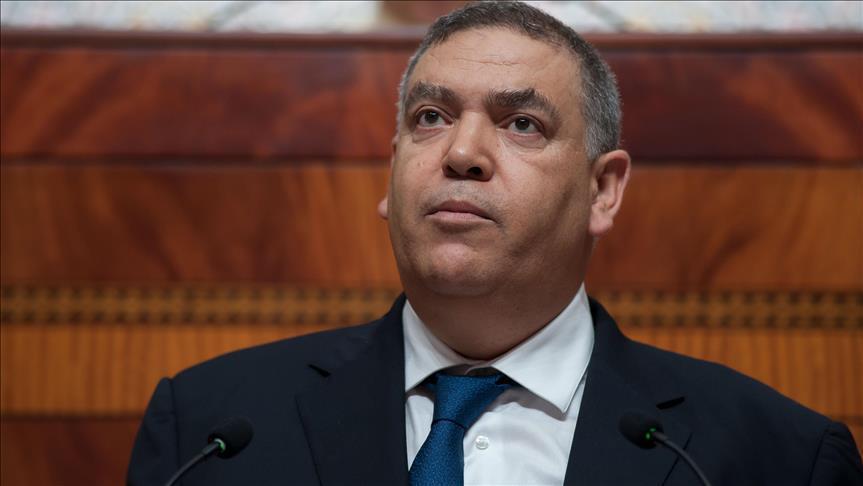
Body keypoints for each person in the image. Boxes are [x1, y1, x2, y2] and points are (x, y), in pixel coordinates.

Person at [127, 2, 862, 485]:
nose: (461, 153)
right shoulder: (210, 430)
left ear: (603, 191)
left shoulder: (776, 458)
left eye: (521, 125)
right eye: (430, 117)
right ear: (390, 177)